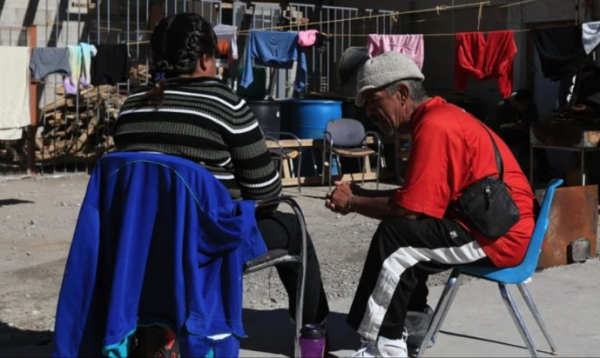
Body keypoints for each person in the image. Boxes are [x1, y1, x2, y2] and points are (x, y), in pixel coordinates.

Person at [113, 12, 329, 347]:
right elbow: (266, 193)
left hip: (140, 243)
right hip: (204, 243)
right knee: (293, 228)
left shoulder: (131, 108)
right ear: (204, 58)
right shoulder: (226, 105)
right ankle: (313, 333)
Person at [325, 52, 537, 358]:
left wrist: (353, 201)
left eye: (373, 99)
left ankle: (385, 344)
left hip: (499, 236)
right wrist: (359, 194)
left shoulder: (435, 125)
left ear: (401, 94)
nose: (369, 111)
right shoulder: (439, 117)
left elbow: (411, 209)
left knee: (395, 238)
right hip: (494, 224)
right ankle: (415, 319)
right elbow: (420, 199)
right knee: (407, 232)